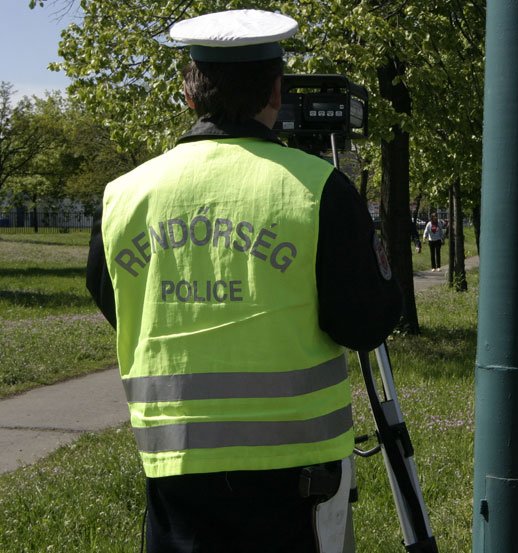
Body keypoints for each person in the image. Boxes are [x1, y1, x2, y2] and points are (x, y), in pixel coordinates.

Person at [84, 9, 401, 553]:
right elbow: (366, 322)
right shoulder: (318, 189)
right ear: (276, 91)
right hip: (297, 476)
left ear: (189, 94)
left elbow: (116, 299)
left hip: (176, 467)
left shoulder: (123, 196)